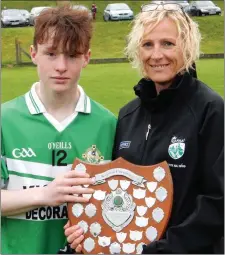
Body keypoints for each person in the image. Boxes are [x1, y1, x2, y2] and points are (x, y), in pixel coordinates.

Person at [63, 2, 224, 254]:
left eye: (167, 44)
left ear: (188, 46)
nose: (156, 55)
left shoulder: (210, 110)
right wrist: (86, 230)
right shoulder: (128, 115)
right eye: (147, 44)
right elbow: (114, 193)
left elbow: (217, 203)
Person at [1, 5, 116, 254]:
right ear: (34, 54)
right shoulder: (3, 120)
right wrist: (45, 194)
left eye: (72, 55)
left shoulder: (109, 124)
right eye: (51, 54)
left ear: (86, 57)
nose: (61, 66)